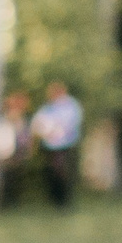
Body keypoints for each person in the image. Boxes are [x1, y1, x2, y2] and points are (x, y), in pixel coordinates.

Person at [31, 81, 84, 211]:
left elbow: (73, 123)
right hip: (50, 147)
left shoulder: (71, 105)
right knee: (53, 173)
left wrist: (57, 130)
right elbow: (37, 124)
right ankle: (56, 200)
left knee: (65, 173)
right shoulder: (48, 107)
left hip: (66, 145)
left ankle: (65, 202)